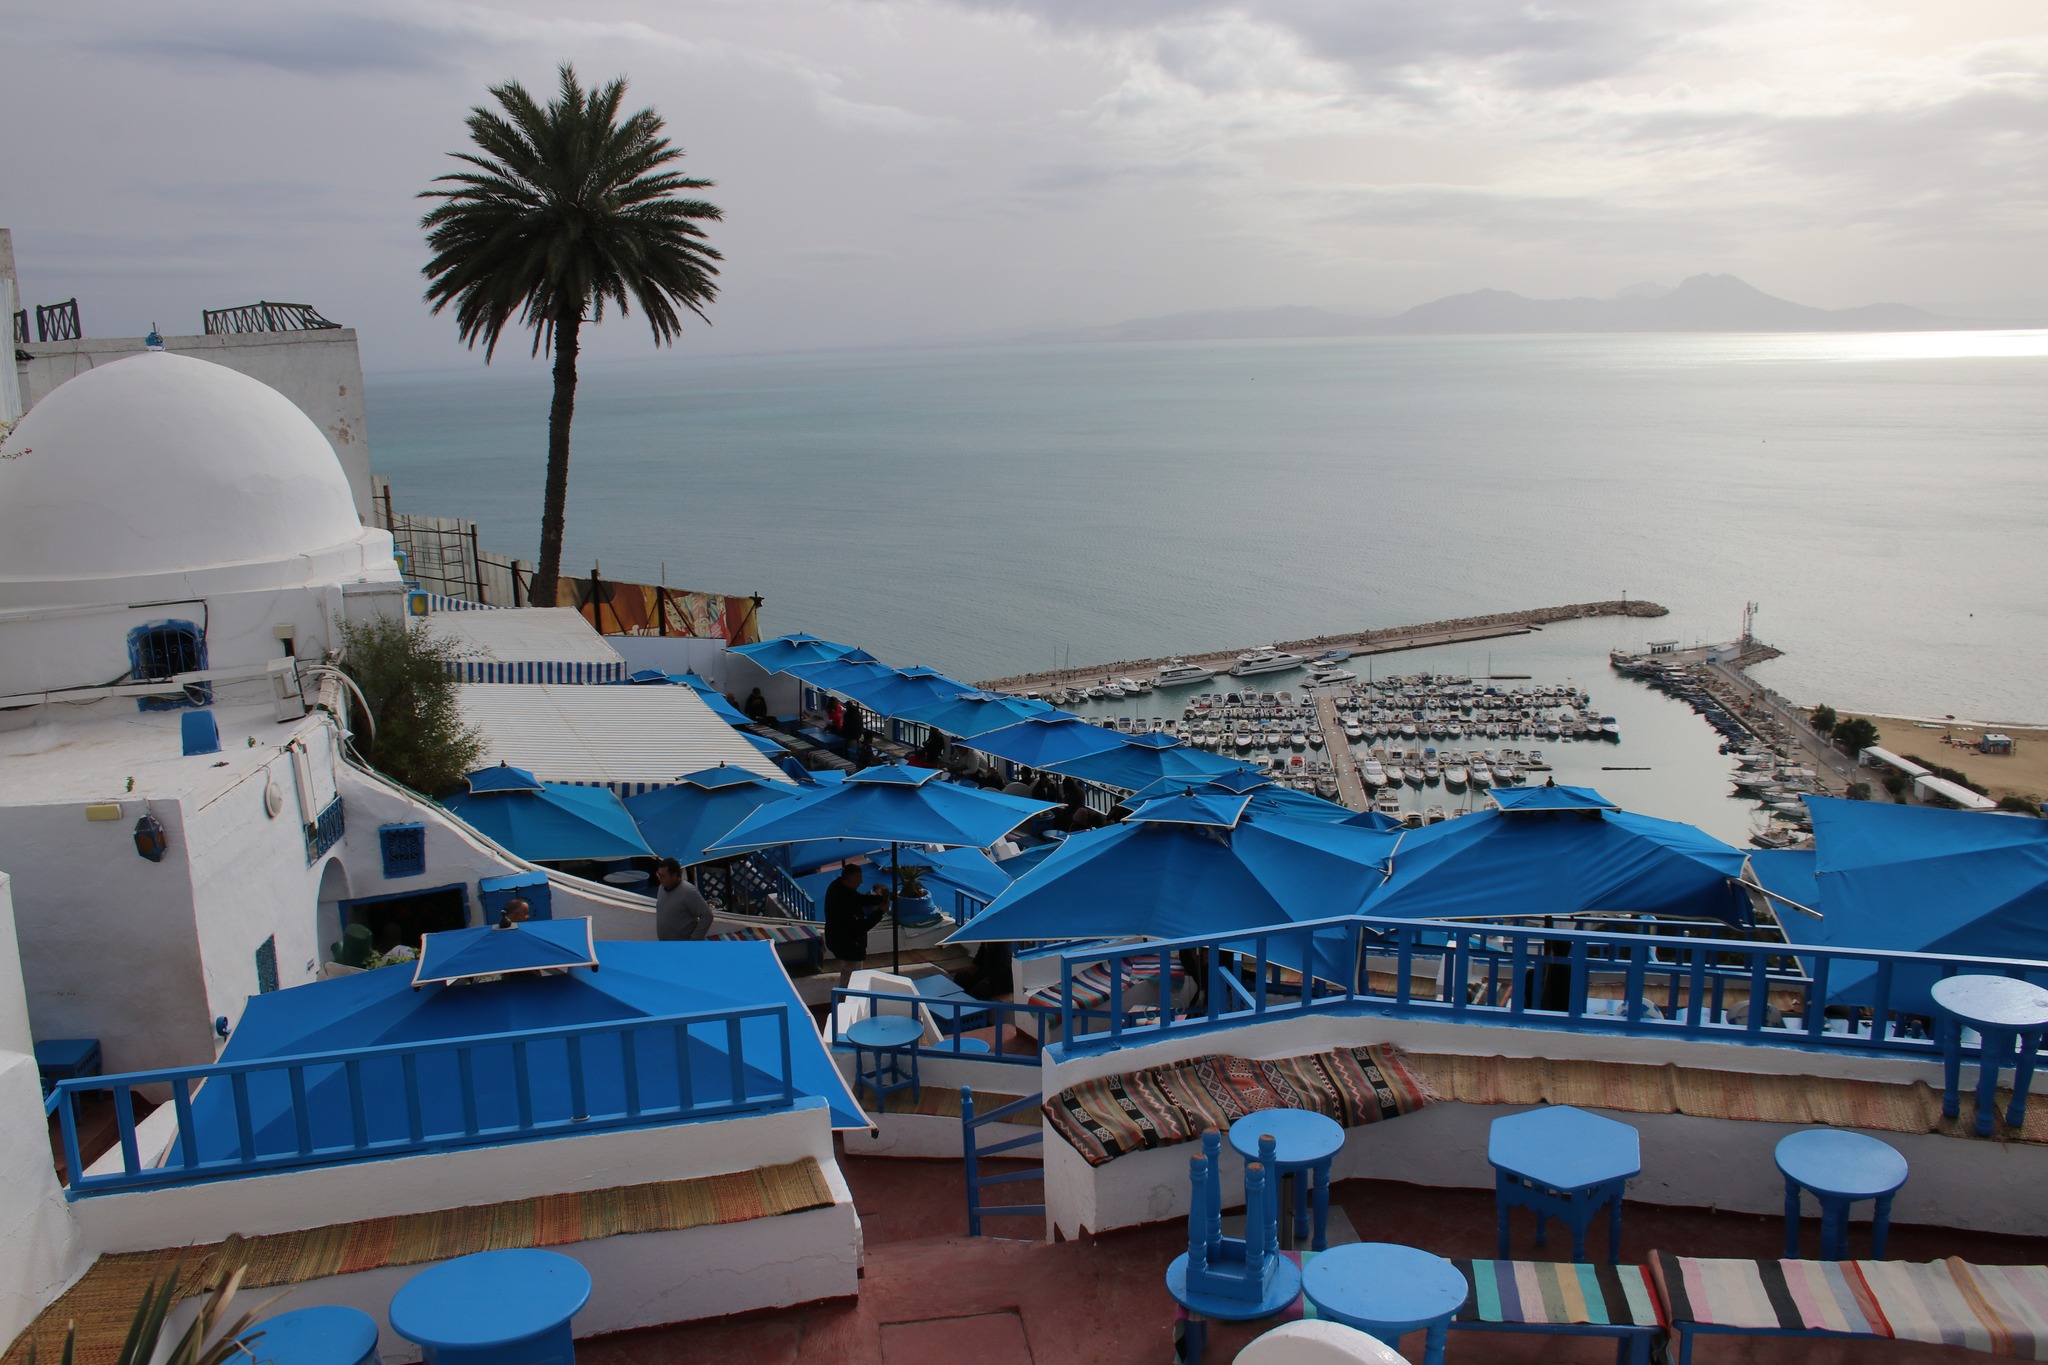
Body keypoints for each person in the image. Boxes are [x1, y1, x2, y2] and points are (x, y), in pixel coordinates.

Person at [825, 863, 893, 985]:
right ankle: (845, 1000)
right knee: (851, 977)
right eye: (858, 879)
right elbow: (861, 927)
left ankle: (846, 998)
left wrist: (879, 899)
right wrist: (880, 911)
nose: (861, 882)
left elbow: (859, 899)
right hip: (848, 944)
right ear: (849, 878)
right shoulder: (844, 900)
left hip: (840, 940)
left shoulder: (838, 887)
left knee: (850, 974)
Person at [653, 858, 715, 941]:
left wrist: (694, 940)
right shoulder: (662, 887)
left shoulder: (688, 891)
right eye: (658, 874)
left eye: (663, 875)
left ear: (674, 875)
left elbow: (707, 916)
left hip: (683, 945)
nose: (659, 878)